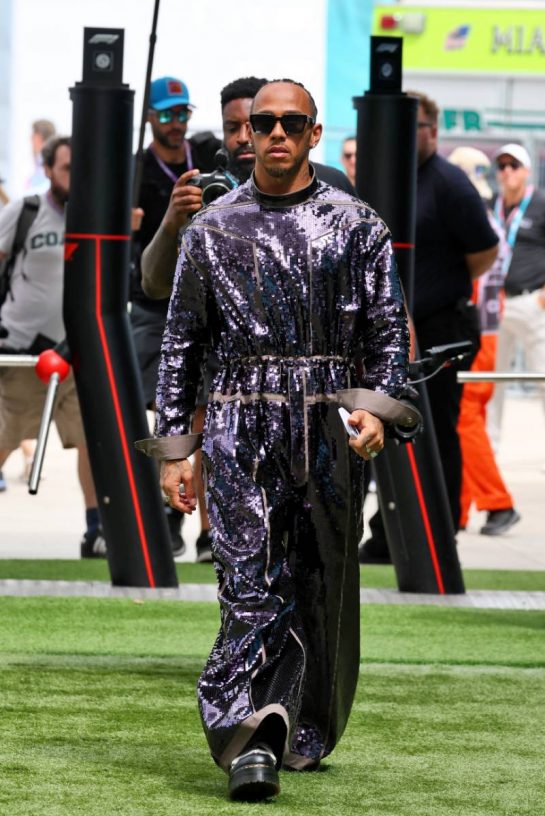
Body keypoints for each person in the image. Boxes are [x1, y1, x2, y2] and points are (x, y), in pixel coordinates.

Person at [138, 78, 412, 801]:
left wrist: (377, 412)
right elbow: (180, 346)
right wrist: (176, 448)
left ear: (315, 133)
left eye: (292, 122)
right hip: (235, 421)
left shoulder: (356, 225)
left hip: (327, 423)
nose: (277, 134)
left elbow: (387, 332)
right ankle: (246, 737)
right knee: (248, 582)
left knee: (317, 582)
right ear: (247, 133)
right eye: (264, 123)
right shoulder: (213, 229)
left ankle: (298, 725)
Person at [141, 76, 357, 562]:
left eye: (260, 123)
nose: (247, 136)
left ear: (309, 132)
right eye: (239, 126)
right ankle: (211, 536)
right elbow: (154, 286)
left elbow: (374, 295)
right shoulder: (205, 194)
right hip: (227, 365)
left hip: (312, 382)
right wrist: (175, 222)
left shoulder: (333, 192)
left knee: (312, 552)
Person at [0, 136, 105, 557]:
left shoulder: (96, 217)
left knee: (91, 442)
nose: (74, 177)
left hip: (78, 350)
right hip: (25, 351)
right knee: (6, 438)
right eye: (66, 168)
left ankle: (96, 530)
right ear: (48, 170)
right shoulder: (24, 211)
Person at [130, 75, 221, 557]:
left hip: (204, 305)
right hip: (151, 305)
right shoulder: (133, 172)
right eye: (166, 114)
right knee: (160, 412)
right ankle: (165, 515)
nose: (176, 123)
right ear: (149, 116)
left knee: (205, 415)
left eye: (183, 113)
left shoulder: (208, 157)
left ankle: (210, 529)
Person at [410, 92, 499, 532]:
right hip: (398, 326)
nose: (407, 135)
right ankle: (396, 533)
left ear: (433, 131)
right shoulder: (392, 176)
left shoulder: (449, 183)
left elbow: (485, 250)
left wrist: (443, 283)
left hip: (441, 322)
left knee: (439, 429)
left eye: (416, 126)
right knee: (391, 428)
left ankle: (442, 528)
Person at [448, 146, 520, 536]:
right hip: (483, 334)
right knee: (462, 421)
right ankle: (457, 510)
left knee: (464, 421)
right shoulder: (487, 220)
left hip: (477, 337)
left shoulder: (474, 224)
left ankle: (497, 502)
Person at [488, 143, 545, 471]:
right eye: (502, 165)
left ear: (526, 170)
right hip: (496, 304)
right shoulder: (491, 205)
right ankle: (490, 447)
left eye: (514, 165)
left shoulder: (539, 203)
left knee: (541, 376)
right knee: (491, 381)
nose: (507, 171)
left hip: (531, 301)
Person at [25, 119, 56, 194]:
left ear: (39, 138)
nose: (30, 140)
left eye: (33, 136)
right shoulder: (38, 163)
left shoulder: (46, 165)